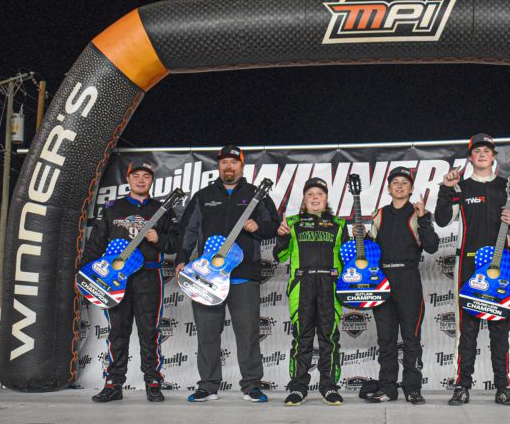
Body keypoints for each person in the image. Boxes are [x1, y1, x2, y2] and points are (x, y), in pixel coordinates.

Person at [175, 145, 279, 403]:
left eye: (234, 162)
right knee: (208, 334)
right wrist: (181, 259)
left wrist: (258, 227)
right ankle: (208, 386)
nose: (229, 166)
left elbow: (275, 227)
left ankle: (252, 385)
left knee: (248, 333)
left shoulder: (257, 194)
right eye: (224, 162)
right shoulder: (203, 196)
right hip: (206, 277)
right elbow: (188, 230)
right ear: (219, 166)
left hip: (244, 276)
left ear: (242, 166)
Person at [435, 133, 510, 407]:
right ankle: (462, 387)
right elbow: (442, 220)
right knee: (467, 331)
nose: (481, 154)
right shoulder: (461, 187)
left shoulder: (507, 186)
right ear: (470, 157)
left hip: (501, 268)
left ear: (493, 156)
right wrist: (446, 188)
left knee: (501, 330)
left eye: (486, 150)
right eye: (476, 150)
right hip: (467, 266)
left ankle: (503, 388)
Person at [83, 161, 178, 403]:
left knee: (149, 332)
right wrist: (86, 272)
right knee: (118, 332)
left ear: (152, 180)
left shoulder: (162, 209)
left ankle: (153, 382)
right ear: (128, 179)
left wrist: (159, 238)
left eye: (146, 176)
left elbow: (177, 244)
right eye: (136, 175)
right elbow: (96, 244)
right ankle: (114, 383)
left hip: (149, 277)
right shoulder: (113, 208)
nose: (141, 180)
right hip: (116, 281)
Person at [365, 167, 440, 404]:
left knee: (411, 338)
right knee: (386, 339)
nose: (399, 186)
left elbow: (432, 246)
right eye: (395, 182)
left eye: (404, 183)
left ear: (411, 188)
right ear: (388, 188)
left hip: (408, 279)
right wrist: (360, 237)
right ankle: (387, 388)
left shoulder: (418, 213)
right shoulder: (379, 214)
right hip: (382, 279)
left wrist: (424, 219)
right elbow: (368, 250)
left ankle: (412, 388)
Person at [275, 177, 349, 406]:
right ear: (304, 199)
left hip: (331, 285)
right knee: (302, 339)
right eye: (310, 194)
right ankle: (298, 388)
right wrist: (283, 236)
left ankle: (329, 387)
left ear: (326, 199)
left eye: (320, 194)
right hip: (302, 285)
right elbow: (279, 256)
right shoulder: (293, 222)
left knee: (330, 339)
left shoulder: (339, 224)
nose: (315, 197)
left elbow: (349, 260)